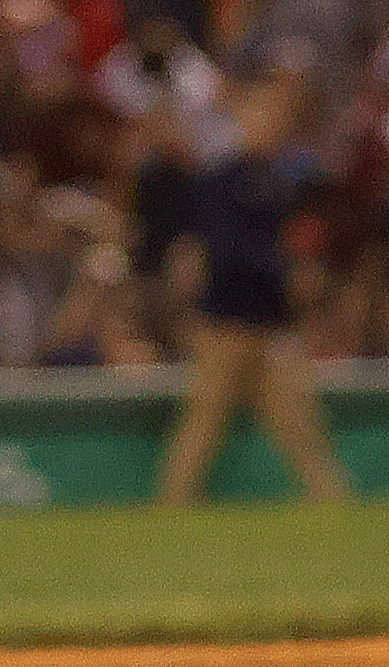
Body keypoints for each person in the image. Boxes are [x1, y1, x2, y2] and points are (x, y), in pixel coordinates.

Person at [146, 71, 355, 506]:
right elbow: (225, 252)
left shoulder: (282, 181)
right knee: (204, 420)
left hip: (272, 323)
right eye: (260, 113)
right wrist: (284, 269)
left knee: (297, 421)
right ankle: (172, 502)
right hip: (227, 324)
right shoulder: (222, 181)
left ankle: (331, 500)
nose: (270, 122)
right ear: (240, 119)